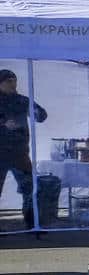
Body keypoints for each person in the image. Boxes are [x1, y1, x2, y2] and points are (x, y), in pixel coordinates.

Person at [0, 68, 49, 225]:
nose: (13, 83)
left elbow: (42, 116)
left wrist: (36, 111)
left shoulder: (22, 101)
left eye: (14, 80)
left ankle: (32, 222)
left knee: (31, 188)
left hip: (20, 154)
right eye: (9, 81)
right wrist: (2, 123)